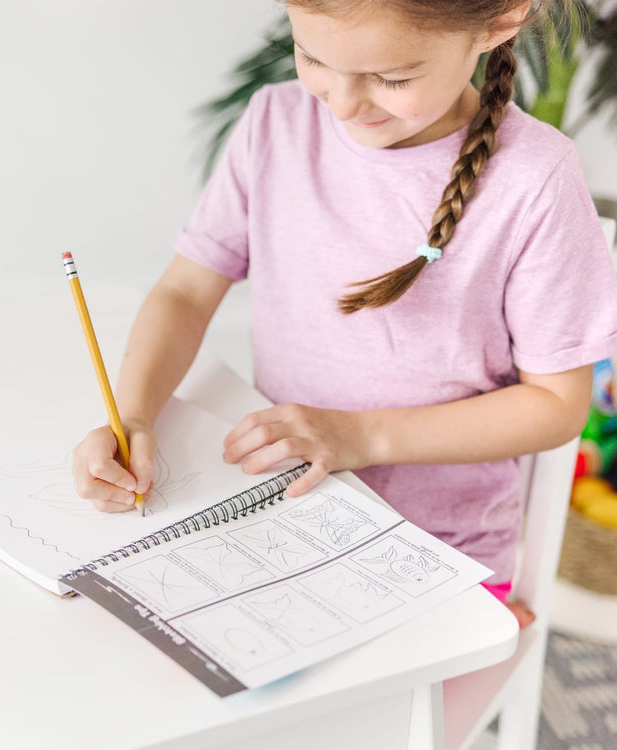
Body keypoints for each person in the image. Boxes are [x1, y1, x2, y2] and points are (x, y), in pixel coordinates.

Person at [72, 0, 617, 627]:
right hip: (280, 520)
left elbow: (556, 405)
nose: (344, 103)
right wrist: (133, 416)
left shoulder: (535, 179)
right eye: (313, 58)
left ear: (497, 24)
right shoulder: (275, 123)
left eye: (392, 79)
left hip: (439, 558)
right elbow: (186, 293)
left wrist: (360, 437)